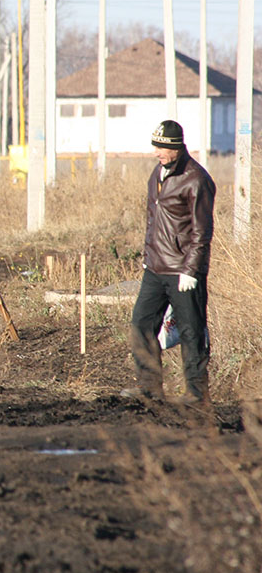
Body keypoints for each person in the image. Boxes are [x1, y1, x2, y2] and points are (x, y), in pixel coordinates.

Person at [124, 120, 216, 410]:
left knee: (191, 330)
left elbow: (202, 231)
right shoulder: (158, 173)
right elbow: (154, 220)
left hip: (182, 272)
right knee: (141, 323)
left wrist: (191, 269)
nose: (157, 153)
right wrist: (147, 255)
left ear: (177, 148)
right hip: (155, 267)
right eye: (155, 146)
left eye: (162, 147)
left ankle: (196, 395)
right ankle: (150, 389)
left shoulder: (196, 179)